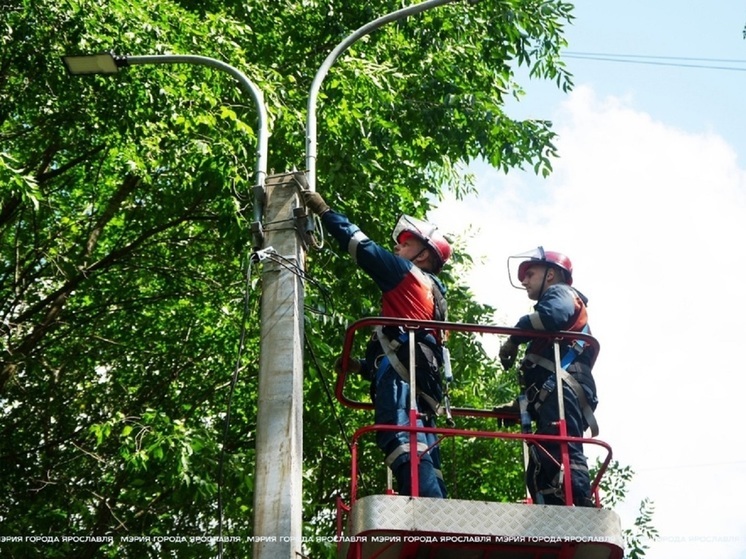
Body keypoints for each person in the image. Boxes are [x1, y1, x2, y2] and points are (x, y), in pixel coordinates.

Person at [301, 180, 451, 499]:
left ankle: (427, 510)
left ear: (425, 254)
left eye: (406, 242)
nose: (397, 247)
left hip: (403, 379)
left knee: (400, 436)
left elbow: (362, 247)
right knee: (421, 441)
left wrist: (324, 212)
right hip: (420, 380)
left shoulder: (408, 276)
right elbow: (402, 343)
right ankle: (436, 506)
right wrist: (360, 366)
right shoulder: (432, 298)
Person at [497, 247, 598, 507]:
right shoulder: (555, 308)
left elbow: (552, 317)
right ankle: (554, 506)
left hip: (565, 384)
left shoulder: (561, 293)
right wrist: (519, 407)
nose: (524, 281)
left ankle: (578, 506)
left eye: (530, 274)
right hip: (557, 388)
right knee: (545, 456)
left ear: (551, 274)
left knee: (561, 447)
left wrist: (514, 338)